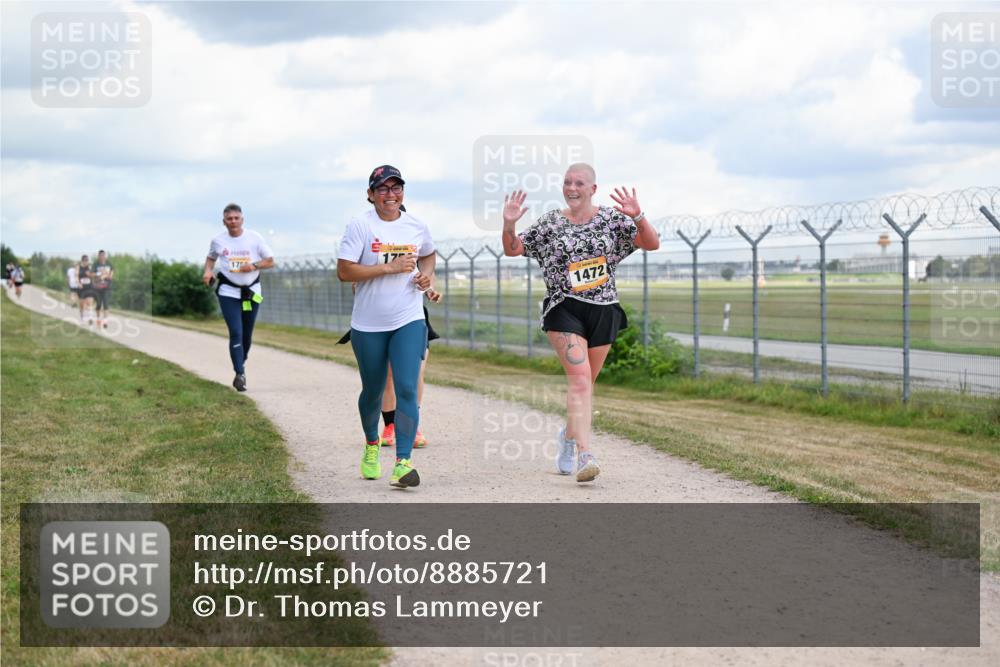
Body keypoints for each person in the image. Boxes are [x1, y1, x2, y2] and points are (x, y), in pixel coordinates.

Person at [501, 163, 660, 482]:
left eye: (579, 183)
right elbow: (513, 249)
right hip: (564, 307)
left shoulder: (612, 219)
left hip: (604, 308)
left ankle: (568, 437)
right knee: (579, 381)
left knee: (586, 385)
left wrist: (638, 216)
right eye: (566, 182)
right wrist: (508, 225)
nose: (571, 188)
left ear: (593, 189)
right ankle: (586, 454)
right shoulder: (550, 223)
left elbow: (651, 243)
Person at [337, 165, 435, 488]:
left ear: (403, 193)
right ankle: (371, 443)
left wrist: (426, 276)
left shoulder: (416, 226)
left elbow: (430, 255)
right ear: (370, 195)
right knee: (373, 392)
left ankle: (403, 463)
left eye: (396, 188)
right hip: (368, 324)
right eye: (383, 189)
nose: (390, 195)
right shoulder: (360, 226)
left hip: (408, 318)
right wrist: (388, 268)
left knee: (407, 387)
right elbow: (344, 272)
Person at [202, 203, 275, 392]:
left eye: (236, 218)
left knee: (247, 335)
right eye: (229, 219)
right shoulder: (218, 240)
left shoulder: (254, 238)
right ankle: (240, 373)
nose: (233, 222)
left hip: (252, 293)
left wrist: (254, 266)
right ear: (224, 221)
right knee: (236, 331)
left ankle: (240, 362)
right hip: (228, 292)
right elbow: (210, 258)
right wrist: (208, 272)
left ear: (242, 219)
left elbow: (270, 261)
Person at [92, 250, 114, 329]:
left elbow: (111, 276)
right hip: (97, 287)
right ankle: (98, 319)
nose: (102, 257)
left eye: (103, 256)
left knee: (105, 304)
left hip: (106, 287)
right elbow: (92, 274)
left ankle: (105, 322)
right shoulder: (95, 264)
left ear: (105, 256)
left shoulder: (109, 264)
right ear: (98, 256)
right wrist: (99, 274)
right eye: (100, 256)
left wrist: (105, 276)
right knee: (98, 305)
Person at [77, 255, 96, 324]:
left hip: (89, 287)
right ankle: (83, 317)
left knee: (89, 301)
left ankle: (90, 317)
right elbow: (76, 276)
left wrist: (90, 275)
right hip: (81, 288)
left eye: (87, 260)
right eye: (85, 260)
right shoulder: (78, 268)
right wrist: (78, 283)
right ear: (82, 261)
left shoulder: (90, 267)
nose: (86, 262)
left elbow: (94, 275)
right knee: (82, 304)